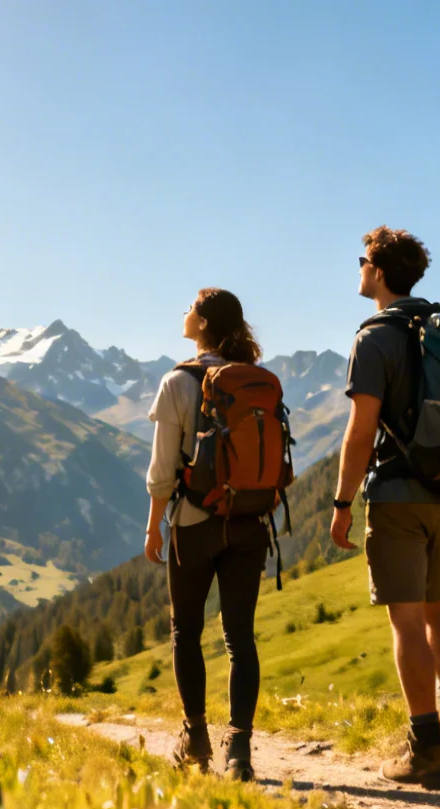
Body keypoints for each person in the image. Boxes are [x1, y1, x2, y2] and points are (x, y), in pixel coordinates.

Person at [329, 226, 440, 791]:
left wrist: (342, 503)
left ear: (378, 270)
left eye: (363, 260)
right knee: (434, 606)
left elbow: (359, 431)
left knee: (405, 619)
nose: (360, 268)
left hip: (397, 494)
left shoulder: (375, 339)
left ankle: (425, 748)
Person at [144, 287, 271, 781]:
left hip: (194, 521)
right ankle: (239, 749)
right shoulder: (257, 379)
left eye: (189, 308)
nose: (183, 313)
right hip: (249, 521)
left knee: (186, 632)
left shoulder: (178, 381)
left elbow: (161, 469)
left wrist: (154, 523)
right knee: (241, 638)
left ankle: (195, 737)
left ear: (201, 323)